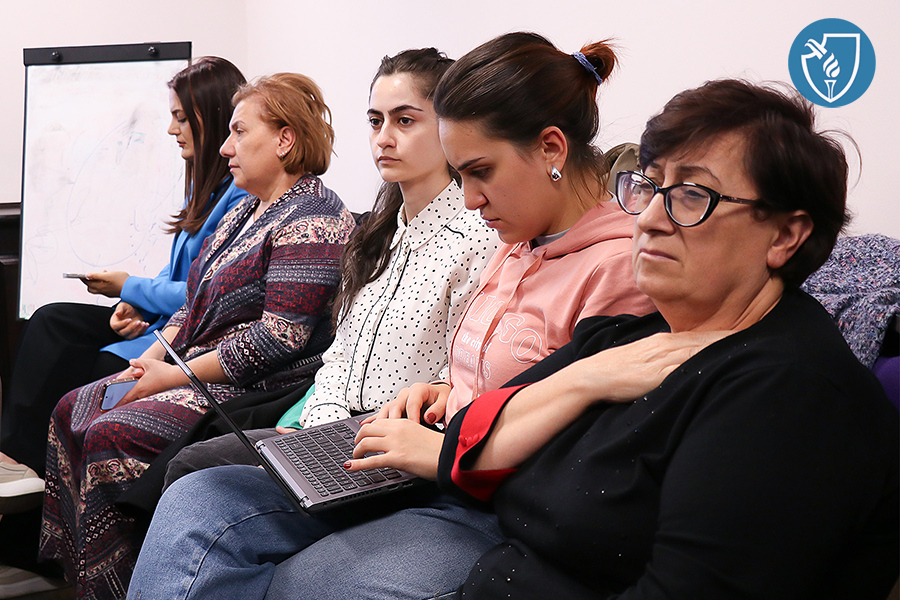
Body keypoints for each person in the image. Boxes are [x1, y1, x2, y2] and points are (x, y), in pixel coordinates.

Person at [126, 32, 654, 600]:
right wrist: (442, 390)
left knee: (293, 582)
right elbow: (498, 378)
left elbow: (581, 453)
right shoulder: (513, 241)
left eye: (480, 171)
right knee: (195, 499)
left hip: (484, 501)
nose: (471, 198)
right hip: (424, 460)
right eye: (462, 175)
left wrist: (444, 452)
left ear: (551, 149)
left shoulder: (613, 269)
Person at [439, 79, 899, 599]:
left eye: (692, 195)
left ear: (785, 236)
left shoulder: (789, 393)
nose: (651, 219)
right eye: (650, 186)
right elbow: (460, 452)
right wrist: (587, 378)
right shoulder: (636, 333)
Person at [38, 72, 356, 600]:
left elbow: (278, 338)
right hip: (196, 369)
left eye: (239, 132)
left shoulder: (314, 219)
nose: (226, 147)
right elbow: (191, 305)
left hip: (254, 388)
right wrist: (148, 361)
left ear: (285, 139)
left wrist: (175, 375)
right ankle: (84, 579)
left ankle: (131, 585)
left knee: (111, 433)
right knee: (72, 409)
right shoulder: (244, 211)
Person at [156, 47, 498, 488]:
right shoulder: (378, 236)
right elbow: (339, 356)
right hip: (334, 429)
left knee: (196, 472)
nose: (383, 138)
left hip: (400, 444)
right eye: (375, 121)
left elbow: (457, 377)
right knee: (191, 464)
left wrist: (336, 436)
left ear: (449, 127)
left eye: (404, 121)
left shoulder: (477, 239)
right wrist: (320, 425)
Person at [0, 56, 247, 576]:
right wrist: (131, 304)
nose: (172, 129)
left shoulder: (241, 197)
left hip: (182, 338)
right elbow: (178, 274)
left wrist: (131, 288)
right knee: (50, 321)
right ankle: (17, 459)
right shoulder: (203, 186)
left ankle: (43, 517)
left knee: (86, 375)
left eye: (181, 118)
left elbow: (203, 294)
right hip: (159, 323)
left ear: (211, 117)